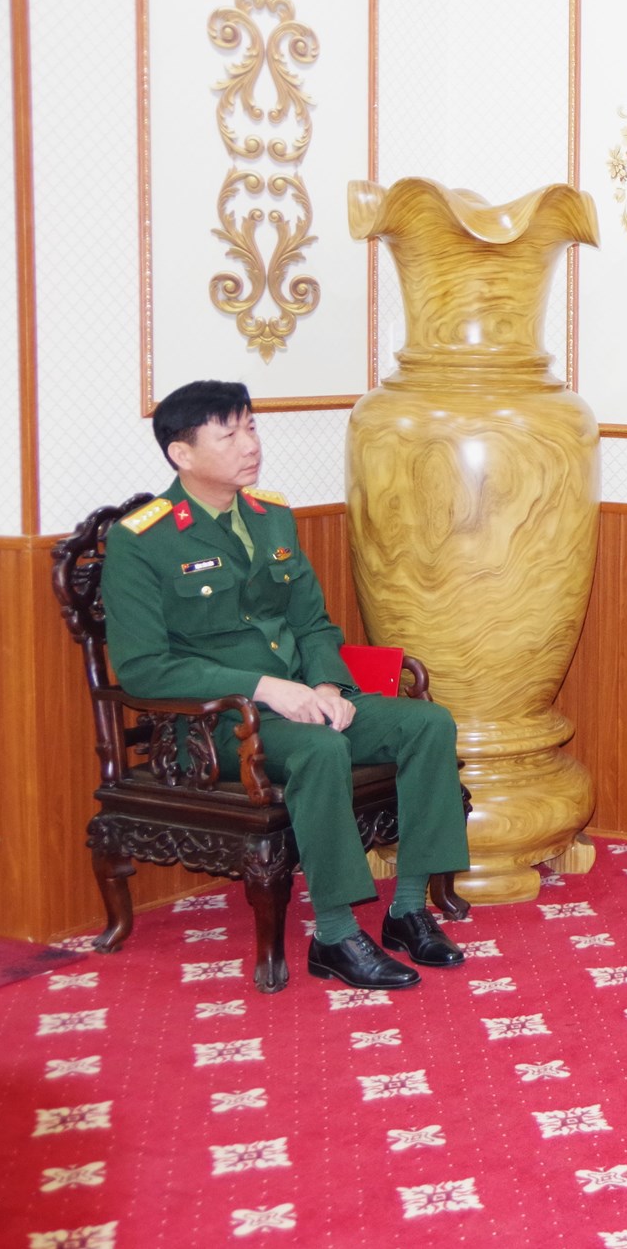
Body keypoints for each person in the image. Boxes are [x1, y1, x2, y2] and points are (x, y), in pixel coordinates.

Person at [102, 380, 470, 991]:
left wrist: (326, 685)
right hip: (215, 728)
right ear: (181, 454)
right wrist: (265, 687)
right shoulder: (142, 539)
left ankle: (408, 909)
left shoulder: (270, 517)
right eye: (229, 434)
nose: (250, 445)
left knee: (427, 724)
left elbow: (312, 624)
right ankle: (334, 936)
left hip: (302, 702)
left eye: (251, 428)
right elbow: (143, 668)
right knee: (321, 749)